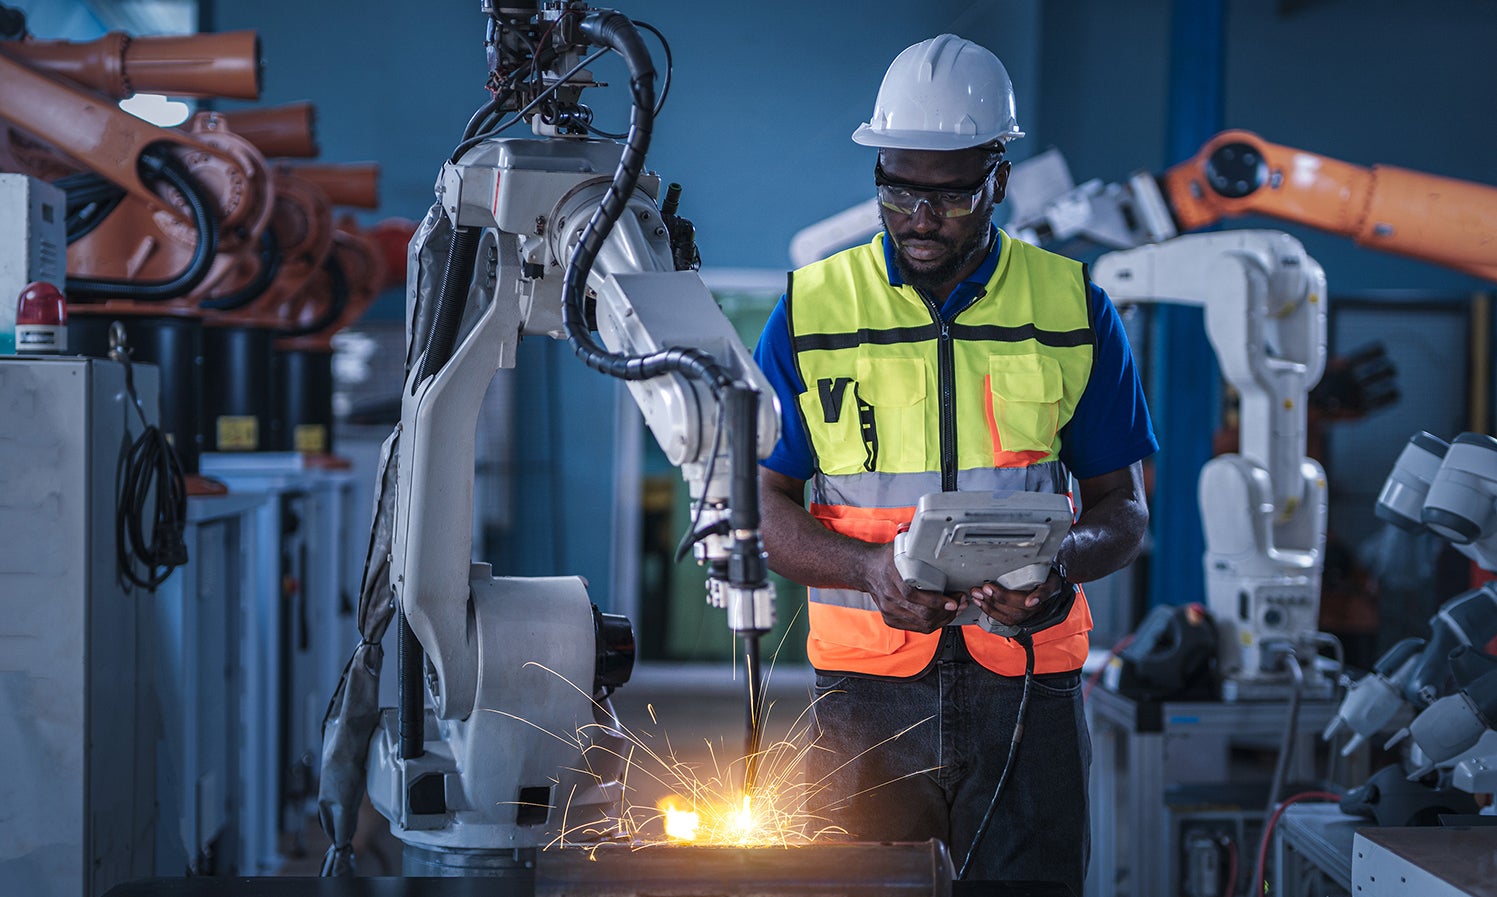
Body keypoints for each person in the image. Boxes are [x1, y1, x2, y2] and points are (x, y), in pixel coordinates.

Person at [753, 34, 1157, 892]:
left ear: (998, 180)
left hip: (1027, 687)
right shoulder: (810, 311)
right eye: (896, 190)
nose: (919, 217)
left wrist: (1055, 575)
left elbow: (1123, 509)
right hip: (865, 693)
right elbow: (762, 508)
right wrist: (867, 569)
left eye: (949, 195)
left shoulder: (1073, 307)